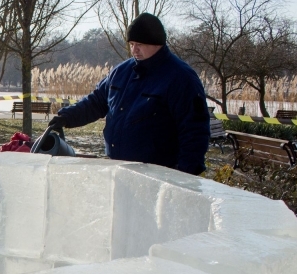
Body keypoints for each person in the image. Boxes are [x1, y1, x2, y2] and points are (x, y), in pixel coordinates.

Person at [45, 13, 210, 175]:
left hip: (159, 174)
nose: (134, 50)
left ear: (156, 42)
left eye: (139, 44)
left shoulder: (180, 78)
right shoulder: (121, 72)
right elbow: (96, 102)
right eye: (131, 44)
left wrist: (185, 175)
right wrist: (67, 117)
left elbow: (194, 130)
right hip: (119, 167)